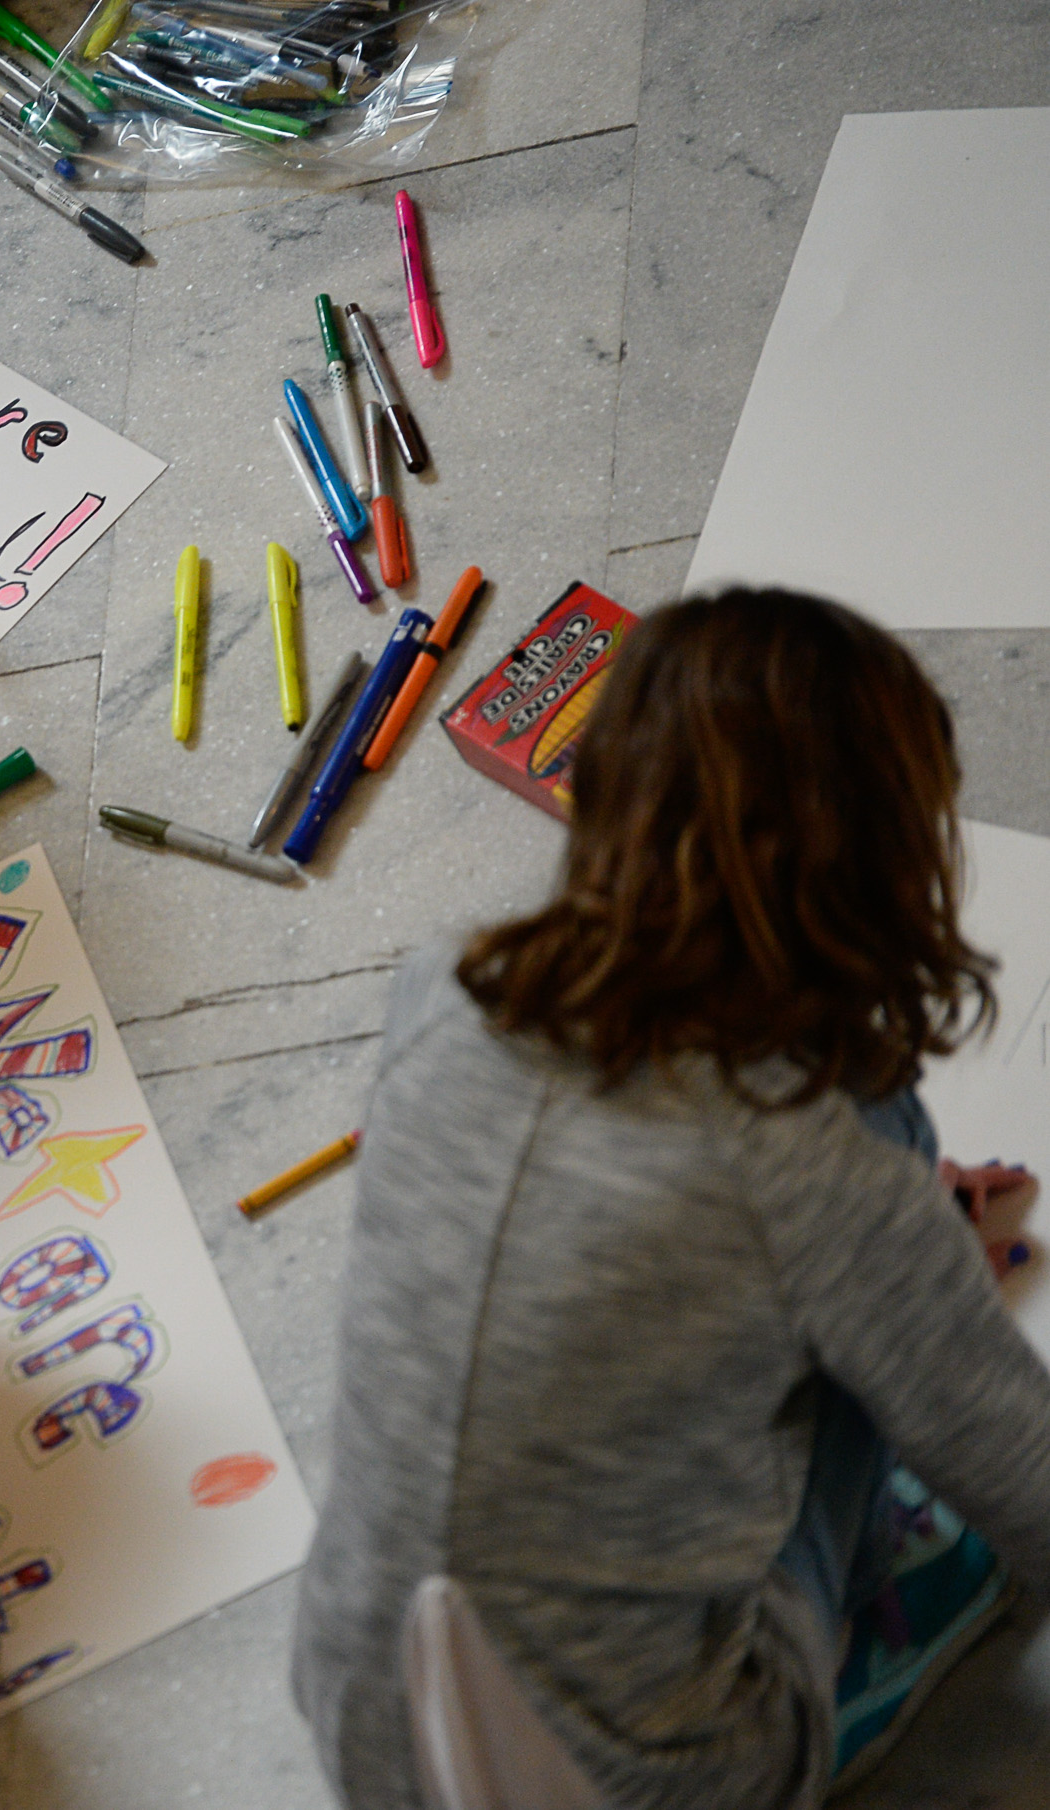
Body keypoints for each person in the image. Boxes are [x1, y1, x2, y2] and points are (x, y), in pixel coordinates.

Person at [292, 588, 1050, 1808]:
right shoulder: (812, 1171)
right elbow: (1022, 1472)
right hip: (656, 1780)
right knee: (879, 1226)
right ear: (882, 871)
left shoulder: (443, 988)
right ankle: (855, 1655)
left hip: (365, 1718)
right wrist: (901, 1251)